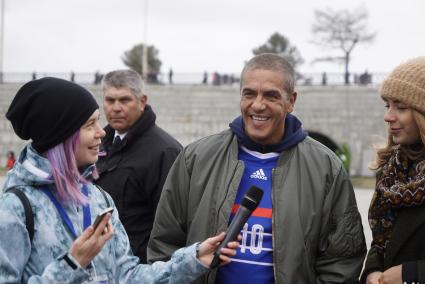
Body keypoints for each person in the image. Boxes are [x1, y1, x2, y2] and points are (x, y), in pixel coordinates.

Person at [147, 53, 366, 283]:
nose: (258, 105)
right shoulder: (196, 158)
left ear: (291, 101)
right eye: (249, 94)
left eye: (271, 96)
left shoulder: (325, 168)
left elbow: (342, 261)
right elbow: (164, 246)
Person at [0, 77, 238, 283]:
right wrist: (72, 265)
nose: (101, 132)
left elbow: (128, 277)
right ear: (60, 135)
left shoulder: (99, 199)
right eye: (89, 124)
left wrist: (194, 259)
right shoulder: (16, 207)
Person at [95, 69, 182, 263]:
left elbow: (171, 225)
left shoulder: (165, 151)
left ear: (142, 101)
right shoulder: (97, 143)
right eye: (110, 100)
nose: (116, 108)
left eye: (124, 100)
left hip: (138, 267)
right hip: (99, 263)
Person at [361, 57, 425, 284]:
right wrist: (372, 272)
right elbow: (381, 242)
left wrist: (412, 274)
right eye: (387, 105)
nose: (388, 116)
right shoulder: (391, 169)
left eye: (401, 107)